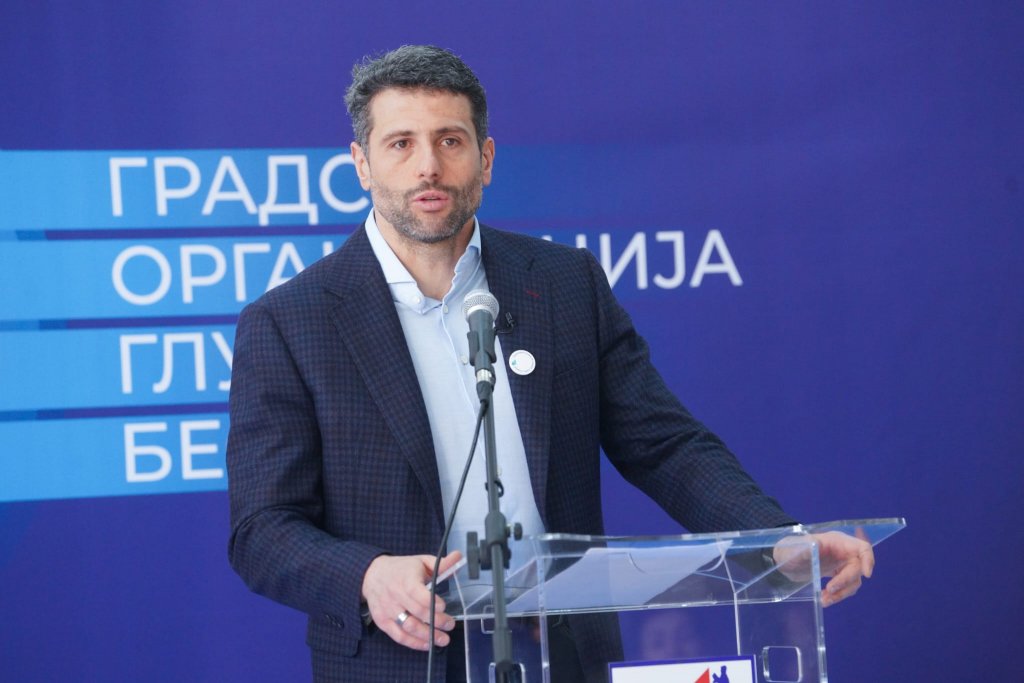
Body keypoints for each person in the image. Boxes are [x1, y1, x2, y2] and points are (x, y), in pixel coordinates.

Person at [226, 45, 874, 682]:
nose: (428, 166)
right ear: (362, 164)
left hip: (560, 651)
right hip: (400, 658)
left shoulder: (563, 284)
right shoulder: (290, 322)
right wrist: (367, 575)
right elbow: (262, 529)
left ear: (485, 158)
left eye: (450, 141)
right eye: (401, 144)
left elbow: (663, 444)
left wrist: (774, 538)